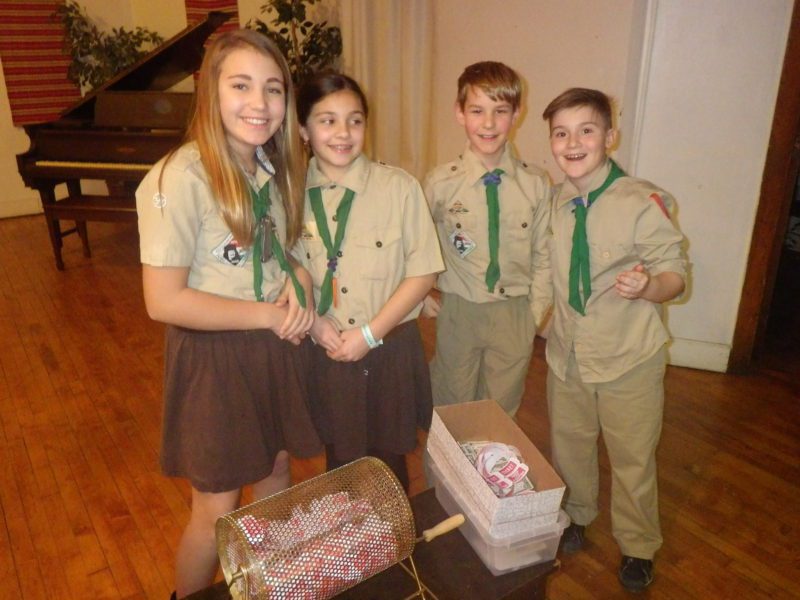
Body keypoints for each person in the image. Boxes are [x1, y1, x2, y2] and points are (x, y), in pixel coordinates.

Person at [135, 29, 321, 598]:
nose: (259, 103)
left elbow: (278, 252)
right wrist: (266, 316)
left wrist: (301, 277)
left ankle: (269, 586)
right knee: (216, 508)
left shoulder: (268, 167)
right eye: (241, 86)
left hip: (271, 347)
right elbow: (163, 300)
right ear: (211, 92)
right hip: (215, 359)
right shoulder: (177, 178)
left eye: (273, 88)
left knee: (276, 472)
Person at [541, 87, 687, 592]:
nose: (573, 143)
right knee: (570, 444)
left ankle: (638, 545)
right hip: (568, 354)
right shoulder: (556, 202)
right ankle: (577, 514)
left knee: (632, 457)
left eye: (586, 130)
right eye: (561, 133)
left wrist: (649, 287)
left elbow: (675, 274)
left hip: (628, 357)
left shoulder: (641, 201)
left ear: (610, 136)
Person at [297, 71, 444, 492]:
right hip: (326, 347)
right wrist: (314, 322)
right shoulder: (290, 194)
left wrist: (369, 334)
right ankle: (351, 533)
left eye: (355, 120)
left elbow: (423, 272)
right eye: (327, 121)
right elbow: (285, 269)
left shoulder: (398, 188)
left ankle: (394, 532)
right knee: (339, 462)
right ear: (304, 129)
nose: (343, 133)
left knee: (389, 463)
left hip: (388, 347)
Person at [423, 61, 552, 417]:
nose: (489, 123)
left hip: (514, 312)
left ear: (517, 114)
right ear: (460, 113)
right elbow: (415, 246)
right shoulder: (440, 183)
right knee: (451, 402)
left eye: (501, 111)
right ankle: (449, 457)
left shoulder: (536, 184)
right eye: (477, 111)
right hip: (459, 310)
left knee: (499, 411)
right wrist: (421, 298)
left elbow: (545, 254)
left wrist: (533, 316)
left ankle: (489, 456)